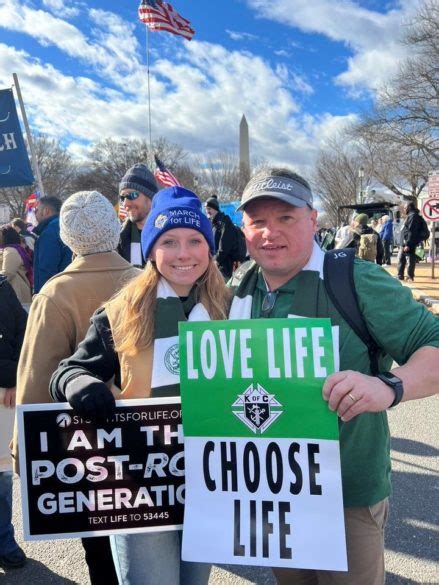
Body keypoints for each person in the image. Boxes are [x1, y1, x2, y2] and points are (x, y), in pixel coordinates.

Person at [228, 167, 439, 585]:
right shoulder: (236, 287)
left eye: (285, 218)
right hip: (271, 496)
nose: (270, 233)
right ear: (243, 228)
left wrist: (388, 387)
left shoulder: (354, 279)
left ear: (312, 219)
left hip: (347, 493)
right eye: (258, 221)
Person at [50, 186, 229, 585]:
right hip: (138, 486)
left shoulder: (231, 309)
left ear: (209, 246)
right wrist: (80, 384)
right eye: (169, 241)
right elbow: (67, 371)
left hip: (210, 481)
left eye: (195, 240)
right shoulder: (120, 312)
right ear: (150, 249)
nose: (184, 253)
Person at [14, 191, 140, 585]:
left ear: (67, 238)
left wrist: (24, 449)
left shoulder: (54, 293)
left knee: (101, 552)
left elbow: (38, 375)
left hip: (85, 451)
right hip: (149, 440)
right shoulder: (146, 281)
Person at [0, 276, 27, 569]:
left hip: (2, 401)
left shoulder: (2, 287)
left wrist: (11, 379)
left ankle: (4, 540)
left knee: (1, 476)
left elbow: (23, 332)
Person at [117, 163, 158, 268]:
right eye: (122, 198)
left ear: (151, 198)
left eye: (132, 195)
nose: (125, 203)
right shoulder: (116, 240)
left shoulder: (170, 234)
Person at [33, 196, 72, 292]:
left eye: (36, 210)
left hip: (54, 294)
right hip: (69, 289)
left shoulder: (49, 232)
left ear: (46, 211)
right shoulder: (66, 226)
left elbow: (47, 270)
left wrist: (41, 298)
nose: (35, 214)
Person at [205, 194, 239, 279]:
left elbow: (225, 244)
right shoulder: (212, 223)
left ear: (215, 209)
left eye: (209, 209)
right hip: (213, 265)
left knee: (221, 290)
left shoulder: (224, 221)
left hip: (223, 267)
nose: (207, 211)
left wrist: (217, 260)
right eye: (206, 209)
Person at [0, 224, 33, 304]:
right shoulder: (10, 249)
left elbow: (7, 274)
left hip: (16, 292)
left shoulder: (10, 251)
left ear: (6, 237)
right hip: (14, 291)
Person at [397, 202, 428, 282]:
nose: (404, 209)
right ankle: (400, 276)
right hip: (406, 242)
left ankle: (410, 277)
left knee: (410, 260)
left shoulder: (413, 216)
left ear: (409, 207)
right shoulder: (411, 216)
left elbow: (412, 231)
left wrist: (408, 244)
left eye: (405, 207)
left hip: (410, 242)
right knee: (401, 259)